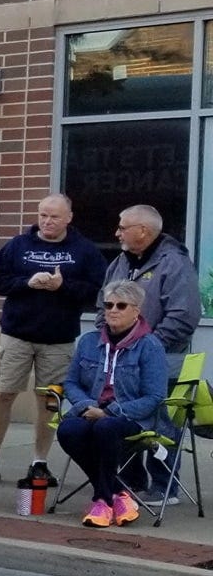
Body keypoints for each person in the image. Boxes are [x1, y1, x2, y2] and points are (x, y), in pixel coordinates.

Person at [0, 193, 108, 486]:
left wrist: (64, 286)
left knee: (49, 399)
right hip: (17, 334)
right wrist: (27, 282)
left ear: (69, 218)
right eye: (43, 215)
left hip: (58, 339)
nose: (47, 221)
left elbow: (98, 291)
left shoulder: (83, 250)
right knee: (4, 393)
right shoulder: (18, 246)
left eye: (55, 216)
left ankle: (39, 461)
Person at [103, 205, 198, 498]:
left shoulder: (174, 263)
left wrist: (146, 348)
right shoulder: (121, 261)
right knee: (123, 416)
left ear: (143, 231)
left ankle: (162, 487)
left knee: (161, 422)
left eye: (123, 227)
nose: (117, 232)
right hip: (121, 359)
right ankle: (131, 482)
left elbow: (184, 316)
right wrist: (109, 342)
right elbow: (103, 305)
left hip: (165, 360)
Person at [58, 280, 170, 527]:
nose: (113, 310)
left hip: (132, 417)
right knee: (67, 429)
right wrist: (87, 405)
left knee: (105, 428)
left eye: (121, 305)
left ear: (136, 311)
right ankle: (118, 494)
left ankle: (101, 499)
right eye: (108, 304)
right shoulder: (88, 342)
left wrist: (109, 411)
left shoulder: (150, 346)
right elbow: (71, 382)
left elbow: (154, 397)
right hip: (91, 411)